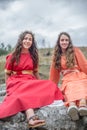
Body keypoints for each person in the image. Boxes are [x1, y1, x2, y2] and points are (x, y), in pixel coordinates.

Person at [0, 30, 63, 128]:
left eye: (30, 39)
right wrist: (8, 87)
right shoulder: (13, 56)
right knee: (23, 93)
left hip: (30, 80)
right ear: (21, 40)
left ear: (32, 42)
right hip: (16, 80)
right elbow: (7, 74)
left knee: (50, 84)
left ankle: (32, 117)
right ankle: (31, 118)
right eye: (25, 38)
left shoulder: (34, 56)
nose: (27, 41)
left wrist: (41, 84)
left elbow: (35, 73)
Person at [49, 32, 87, 121]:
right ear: (59, 42)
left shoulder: (75, 50)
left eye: (66, 40)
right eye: (62, 40)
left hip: (78, 75)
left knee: (81, 85)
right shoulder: (56, 56)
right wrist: (51, 88)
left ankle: (82, 104)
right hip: (67, 78)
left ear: (69, 42)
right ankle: (72, 106)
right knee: (69, 87)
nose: (64, 42)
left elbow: (84, 65)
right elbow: (53, 75)